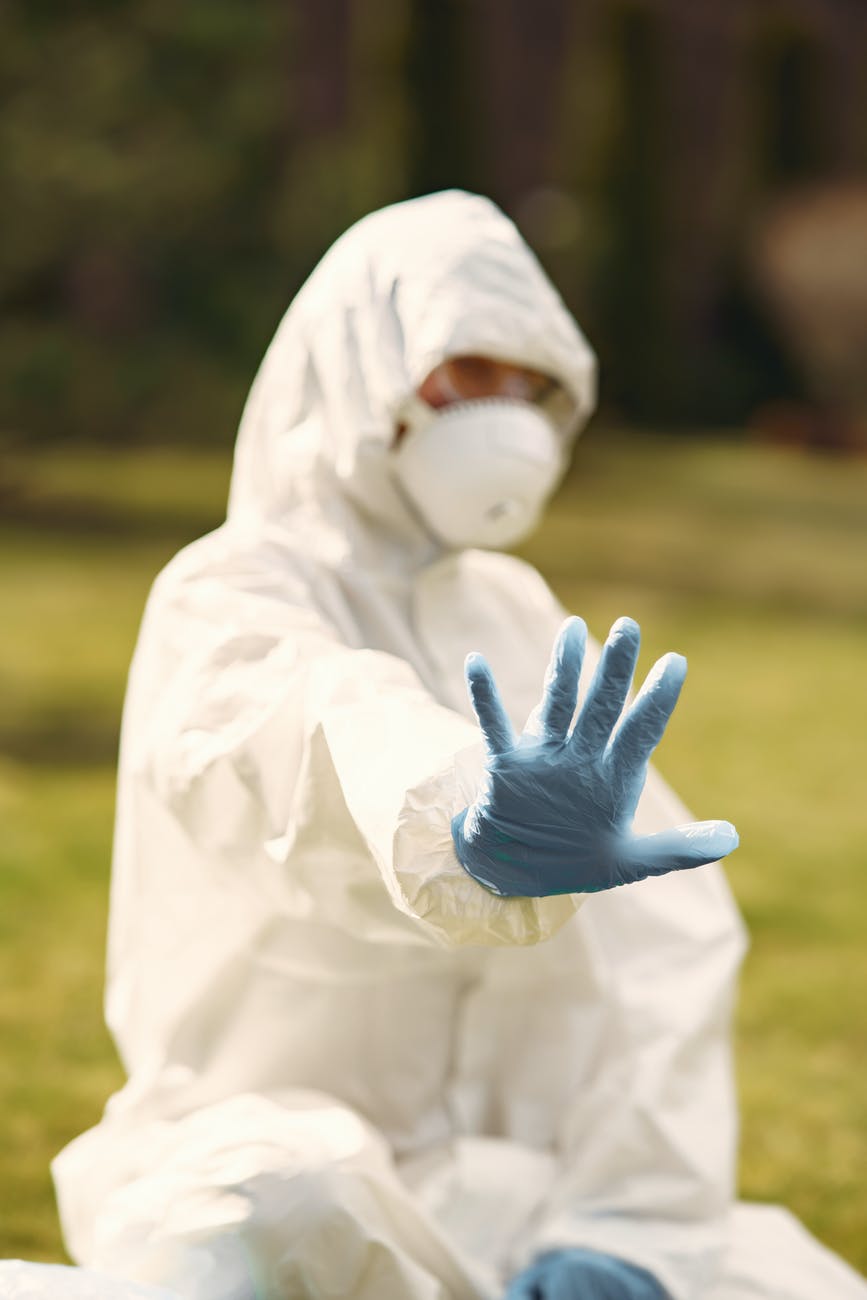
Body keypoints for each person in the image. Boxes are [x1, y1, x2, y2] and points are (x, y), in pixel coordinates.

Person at [52, 192, 866, 1300]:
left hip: (506, 1195)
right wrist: (455, 815)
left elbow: (663, 946)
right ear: (358, 372)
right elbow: (304, 729)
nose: (506, 414)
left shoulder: (509, 607)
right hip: (281, 1150)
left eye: (527, 385)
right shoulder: (233, 590)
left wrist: (621, 1231)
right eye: (466, 373)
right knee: (248, 1222)